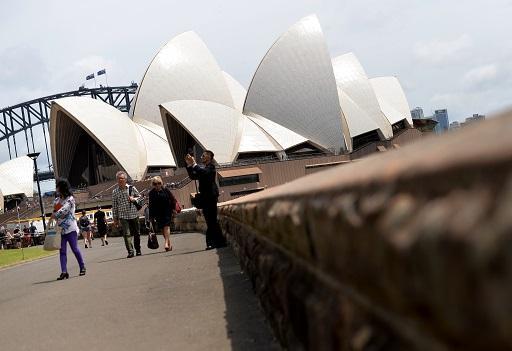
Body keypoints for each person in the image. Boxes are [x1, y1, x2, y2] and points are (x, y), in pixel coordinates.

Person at [185, 150, 227, 250]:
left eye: (204, 155)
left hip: (211, 197)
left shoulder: (211, 167)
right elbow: (193, 176)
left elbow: (203, 173)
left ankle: (213, 242)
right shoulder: (203, 168)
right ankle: (219, 242)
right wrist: (189, 165)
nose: (202, 157)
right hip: (205, 198)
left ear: (209, 157)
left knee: (211, 220)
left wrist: (194, 164)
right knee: (210, 220)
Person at [51, 178, 86, 280]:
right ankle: (64, 271)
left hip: (71, 228)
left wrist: (55, 214)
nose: (56, 188)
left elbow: (63, 211)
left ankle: (82, 266)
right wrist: (55, 213)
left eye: (57, 186)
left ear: (62, 187)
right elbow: (54, 210)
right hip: (61, 230)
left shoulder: (70, 199)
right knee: (62, 251)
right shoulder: (57, 200)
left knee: (74, 249)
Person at [112, 171, 142, 258]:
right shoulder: (115, 192)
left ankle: (138, 249)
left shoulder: (132, 188)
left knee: (137, 233)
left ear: (125, 179)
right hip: (123, 216)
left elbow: (140, 197)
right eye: (119, 179)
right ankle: (130, 251)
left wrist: (134, 199)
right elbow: (114, 206)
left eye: (122, 178)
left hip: (133, 214)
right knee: (127, 234)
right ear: (117, 180)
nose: (120, 180)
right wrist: (115, 218)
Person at [148, 176, 176, 252]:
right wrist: (151, 216)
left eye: (159, 183)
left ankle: (166, 243)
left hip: (167, 211)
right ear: (153, 184)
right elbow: (150, 205)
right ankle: (169, 245)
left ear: (161, 183)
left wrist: (173, 209)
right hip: (158, 213)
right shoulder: (151, 193)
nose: (157, 185)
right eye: (155, 184)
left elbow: (173, 199)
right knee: (162, 228)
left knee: (166, 226)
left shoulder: (165, 190)